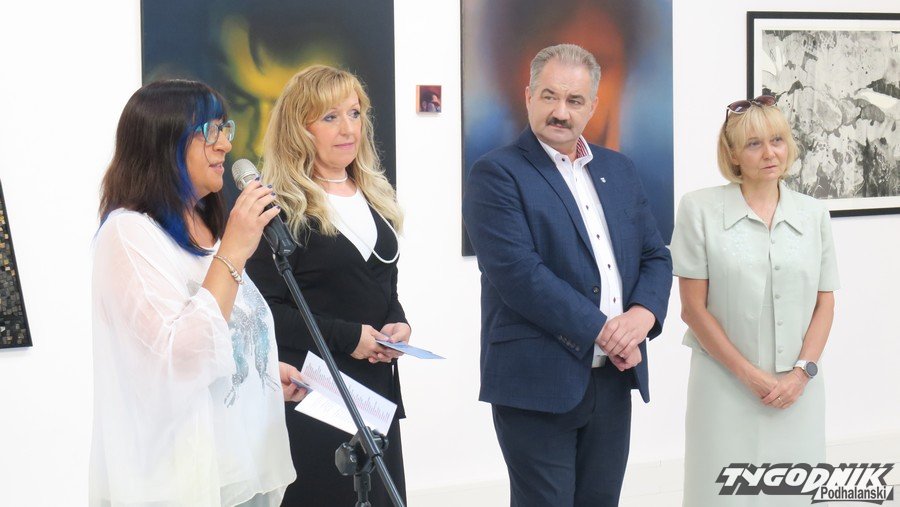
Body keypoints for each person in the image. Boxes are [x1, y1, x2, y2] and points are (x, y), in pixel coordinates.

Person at [461, 44, 673, 507]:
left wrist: (641, 317)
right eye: (549, 96)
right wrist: (607, 332)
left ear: (592, 105)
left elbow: (655, 256)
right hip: (537, 382)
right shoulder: (496, 173)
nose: (561, 111)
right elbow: (520, 276)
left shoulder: (619, 169)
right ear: (528, 96)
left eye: (575, 100)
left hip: (612, 381)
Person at [90, 79, 306, 507]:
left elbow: (216, 329)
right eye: (210, 130)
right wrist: (234, 251)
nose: (225, 144)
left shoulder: (209, 229)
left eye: (225, 128)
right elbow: (176, 359)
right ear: (163, 142)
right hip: (179, 482)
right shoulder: (129, 234)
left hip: (239, 474)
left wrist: (259, 369)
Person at [245, 65, 409, 506]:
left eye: (354, 114)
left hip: (376, 395)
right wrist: (347, 337)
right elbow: (265, 312)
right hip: (315, 396)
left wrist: (398, 323)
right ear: (299, 128)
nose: (348, 129)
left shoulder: (375, 195)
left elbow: (383, 286)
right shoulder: (277, 208)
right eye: (330, 117)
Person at [671, 96, 839, 506]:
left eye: (777, 140)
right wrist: (748, 375)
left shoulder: (814, 214)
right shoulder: (699, 209)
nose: (769, 153)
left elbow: (825, 303)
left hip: (798, 391)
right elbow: (692, 309)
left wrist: (801, 374)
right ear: (732, 154)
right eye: (753, 144)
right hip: (723, 388)